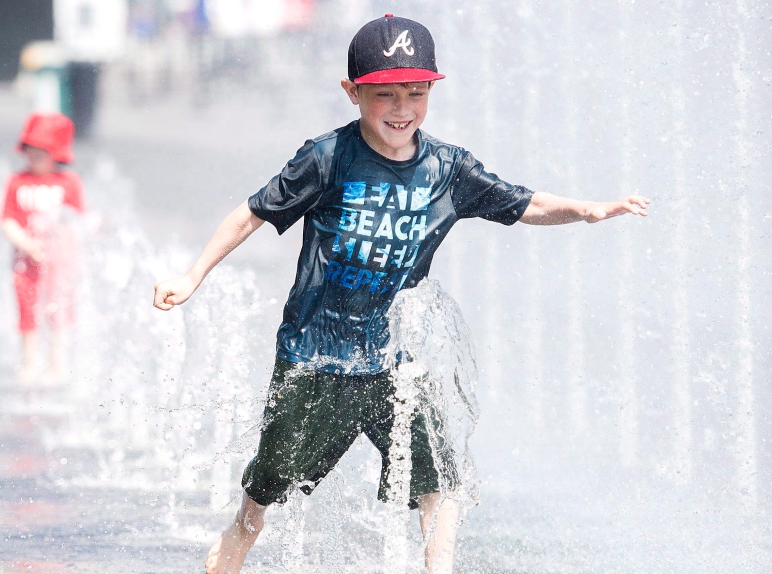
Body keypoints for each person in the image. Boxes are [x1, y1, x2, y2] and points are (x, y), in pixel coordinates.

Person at [152, 15, 650, 574]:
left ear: (432, 91)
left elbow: (523, 202)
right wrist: (191, 276)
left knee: (439, 476)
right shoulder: (328, 158)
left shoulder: (447, 169)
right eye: (384, 94)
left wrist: (585, 210)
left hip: (389, 359)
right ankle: (236, 541)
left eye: (416, 93)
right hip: (311, 359)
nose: (401, 108)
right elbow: (252, 213)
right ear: (353, 92)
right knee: (264, 494)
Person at [0, 112, 86, 384]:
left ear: (57, 153)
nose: (34, 155)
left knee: (58, 311)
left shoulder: (68, 183)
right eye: (30, 149)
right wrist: (26, 244)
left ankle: (56, 365)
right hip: (25, 262)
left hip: (59, 263)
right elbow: (7, 220)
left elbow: (78, 222)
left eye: (42, 150)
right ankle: (29, 364)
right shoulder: (17, 181)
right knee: (27, 312)